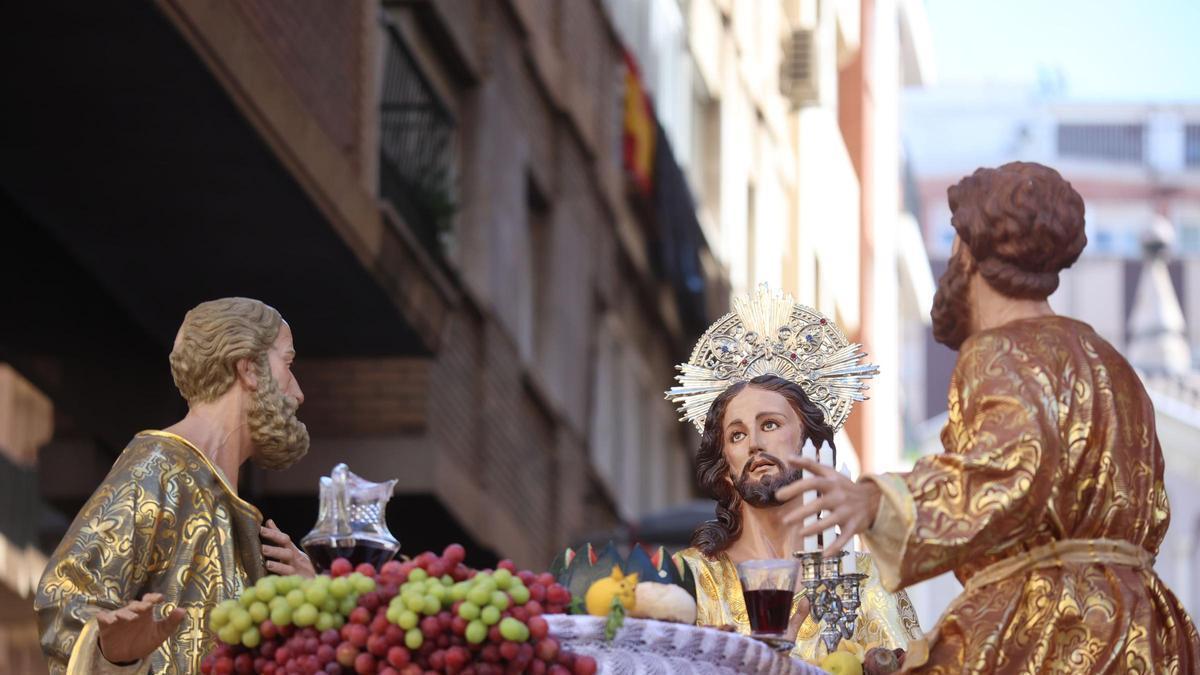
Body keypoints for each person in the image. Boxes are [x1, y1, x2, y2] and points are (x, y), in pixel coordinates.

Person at [779, 162, 1200, 673]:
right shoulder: (1113, 366)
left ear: (972, 254)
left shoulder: (998, 352)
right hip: (1144, 631)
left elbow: (1012, 471)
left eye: (956, 242)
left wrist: (876, 502)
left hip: (1048, 630)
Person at [36, 297, 316, 674]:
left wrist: (312, 598)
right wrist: (113, 652)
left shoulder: (214, 489)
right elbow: (66, 595)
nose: (297, 393)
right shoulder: (159, 468)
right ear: (248, 368)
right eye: (288, 363)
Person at [669, 287, 922, 660]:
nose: (754, 443)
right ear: (725, 469)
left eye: (770, 425)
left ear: (812, 450)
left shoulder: (865, 583)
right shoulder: (691, 578)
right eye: (736, 435)